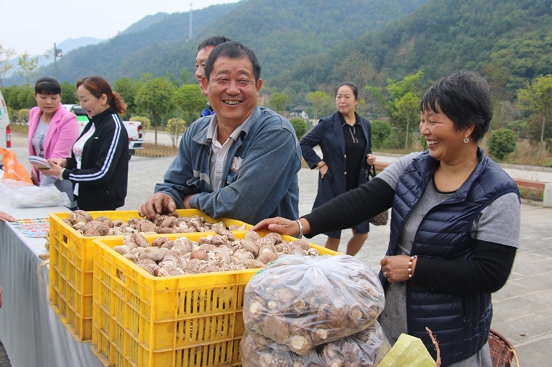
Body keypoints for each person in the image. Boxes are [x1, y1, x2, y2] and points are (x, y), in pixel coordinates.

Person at [253, 71, 520, 367]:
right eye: (422, 120)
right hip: (393, 329)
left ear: (468, 126)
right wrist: (301, 225)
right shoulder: (412, 167)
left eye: (434, 121)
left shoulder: (498, 193)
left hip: (449, 342)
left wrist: (414, 268)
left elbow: (490, 273)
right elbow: (362, 200)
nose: (424, 130)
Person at [139, 41, 302, 225]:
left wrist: (189, 201)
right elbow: (174, 185)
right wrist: (164, 196)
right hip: (206, 247)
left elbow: (241, 208)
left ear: (257, 87)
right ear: (206, 83)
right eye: (223, 80)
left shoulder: (276, 133)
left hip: (267, 250)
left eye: (242, 81)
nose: (232, 90)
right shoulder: (195, 132)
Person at [300, 82, 375, 255]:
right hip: (334, 184)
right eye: (339, 96)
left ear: (357, 100)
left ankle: (344, 263)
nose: (342, 100)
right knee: (334, 234)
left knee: (362, 233)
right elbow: (304, 144)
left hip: (358, 186)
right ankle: (329, 270)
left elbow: (365, 150)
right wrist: (321, 164)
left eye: (347, 97)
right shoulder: (327, 124)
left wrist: (369, 158)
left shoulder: (365, 125)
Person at [41, 76, 129, 211]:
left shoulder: (112, 127)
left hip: (101, 204)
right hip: (83, 198)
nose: (82, 105)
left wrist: (64, 173)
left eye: (85, 100)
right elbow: (87, 158)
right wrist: (67, 162)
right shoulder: (94, 122)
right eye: (80, 100)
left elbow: (102, 172)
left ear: (103, 99)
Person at [28, 77, 80, 208]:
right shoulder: (34, 114)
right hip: (40, 184)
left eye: (54, 98)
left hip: (60, 188)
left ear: (60, 97)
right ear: (35, 96)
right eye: (43, 97)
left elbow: (56, 160)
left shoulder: (68, 120)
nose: (48, 102)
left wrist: (40, 192)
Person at [195, 36, 234, 117]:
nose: (197, 73)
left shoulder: (234, 118)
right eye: (197, 66)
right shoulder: (208, 113)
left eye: (204, 65)